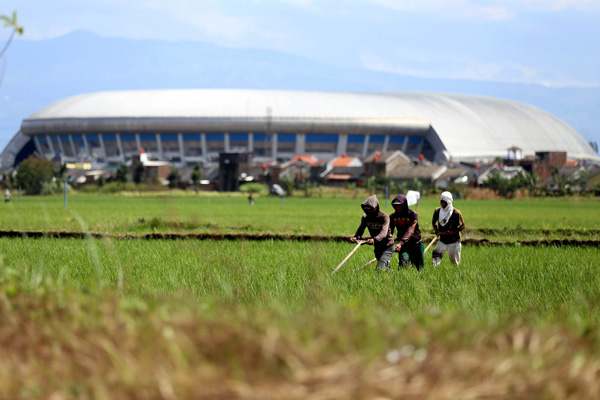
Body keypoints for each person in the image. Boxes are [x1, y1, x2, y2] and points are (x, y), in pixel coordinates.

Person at [350, 195, 395, 271]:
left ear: (375, 208)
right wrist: (356, 237)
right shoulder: (365, 218)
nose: (368, 211)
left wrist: (374, 239)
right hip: (377, 247)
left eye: (370, 209)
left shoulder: (384, 217)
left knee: (380, 268)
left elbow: (384, 233)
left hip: (388, 246)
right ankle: (392, 278)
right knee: (385, 267)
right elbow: (361, 229)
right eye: (366, 210)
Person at [389, 194, 424, 270]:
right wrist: (388, 243)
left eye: (399, 205)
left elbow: (410, 230)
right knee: (403, 264)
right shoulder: (393, 216)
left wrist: (400, 243)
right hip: (404, 245)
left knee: (419, 268)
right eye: (395, 206)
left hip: (416, 244)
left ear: (404, 204)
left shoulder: (413, 215)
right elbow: (390, 231)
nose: (397, 207)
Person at [431, 191, 465, 267]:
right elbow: (434, 222)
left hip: (454, 241)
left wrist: (452, 232)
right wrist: (436, 230)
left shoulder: (456, 213)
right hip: (442, 240)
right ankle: (435, 271)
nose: (442, 204)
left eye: (444, 202)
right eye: (441, 202)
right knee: (436, 255)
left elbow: (463, 226)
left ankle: (456, 274)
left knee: (455, 263)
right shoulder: (438, 211)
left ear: (449, 202)